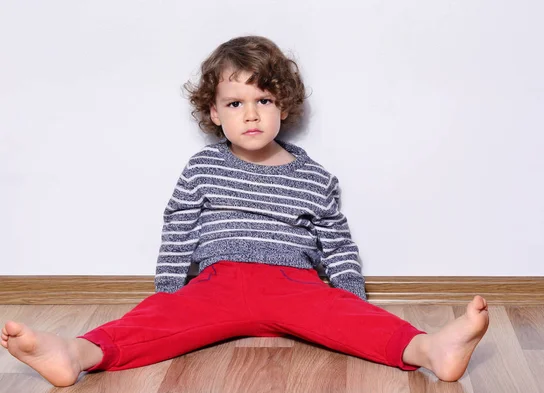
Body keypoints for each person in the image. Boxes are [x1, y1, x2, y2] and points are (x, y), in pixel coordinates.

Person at [1, 36, 489, 387]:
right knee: (150, 325)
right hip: (219, 282)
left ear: (284, 105)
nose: (251, 114)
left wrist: (352, 299)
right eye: (235, 102)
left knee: (352, 322)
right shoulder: (203, 167)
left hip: (294, 283)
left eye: (264, 99)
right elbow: (178, 227)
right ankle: (75, 354)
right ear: (214, 113)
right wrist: (170, 293)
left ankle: (430, 348)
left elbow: (337, 243)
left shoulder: (314, 177)